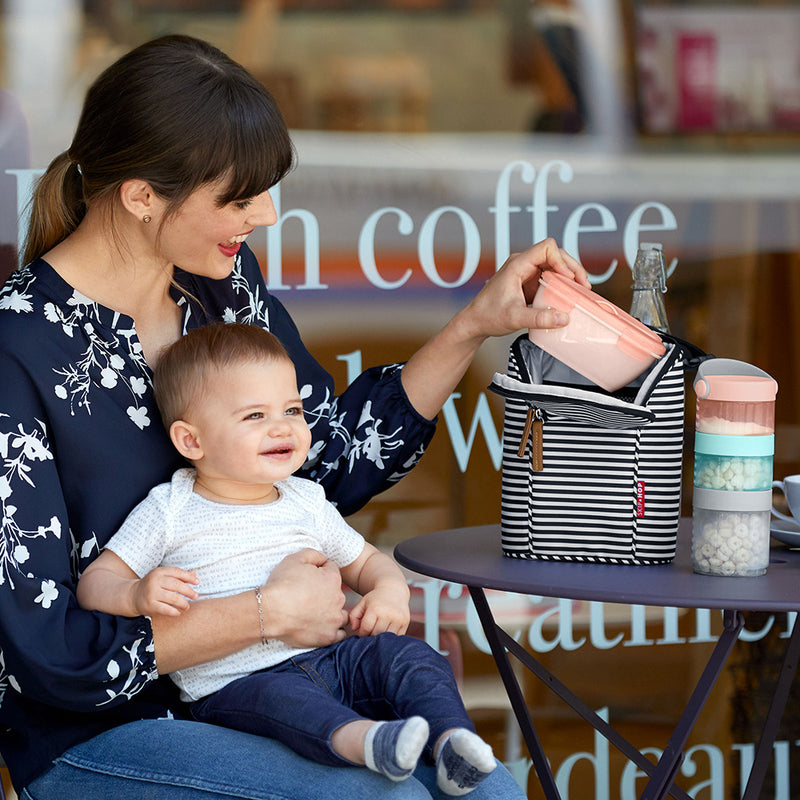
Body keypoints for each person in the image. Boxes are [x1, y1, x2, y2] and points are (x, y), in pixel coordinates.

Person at [0, 33, 588, 800]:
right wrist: (265, 614)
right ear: (141, 196)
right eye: (239, 198)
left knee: (486, 789)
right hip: (100, 733)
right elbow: (49, 654)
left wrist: (474, 324)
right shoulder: (16, 348)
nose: (267, 215)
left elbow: (327, 463)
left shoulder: (220, 287)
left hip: (277, 683)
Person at [77, 322, 498, 795]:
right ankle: (368, 743)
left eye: (292, 409)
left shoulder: (305, 500)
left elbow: (365, 561)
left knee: (412, 657)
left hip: (332, 656)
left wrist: (389, 590)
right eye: (255, 415)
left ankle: (451, 742)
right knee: (291, 704)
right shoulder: (169, 509)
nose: (282, 426)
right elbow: (96, 583)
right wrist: (136, 593)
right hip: (238, 684)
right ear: (192, 441)